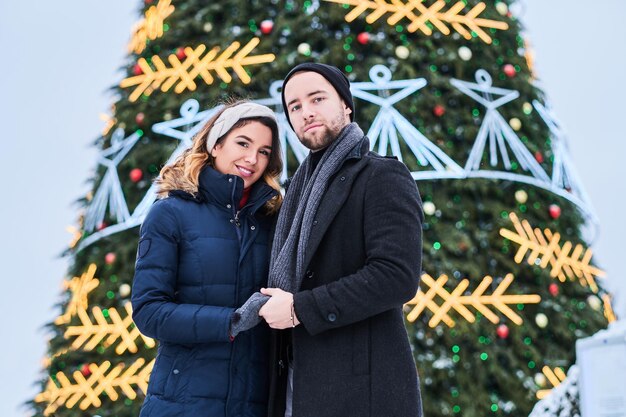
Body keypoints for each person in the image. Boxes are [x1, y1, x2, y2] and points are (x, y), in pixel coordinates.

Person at [234, 63, 424, 416]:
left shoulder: (381, 175)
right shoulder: (292, 194)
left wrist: (299, 309)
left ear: (345, 105)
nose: (306, 112)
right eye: (294, 107)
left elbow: (396, 276)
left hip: (361, 394)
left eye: (317, 99)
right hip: (294, 388)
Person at [131, 100, 283, 417]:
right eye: (243, 143)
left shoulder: (273, 220)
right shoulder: (171, 213)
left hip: (254, 405)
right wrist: (231, 321)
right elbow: (149, 311)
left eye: (264, 151)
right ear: (215, 144)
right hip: (183, 404)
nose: (252, 158)